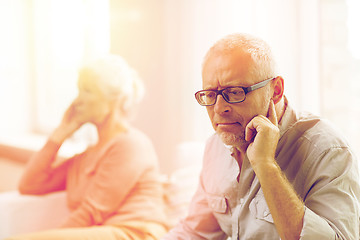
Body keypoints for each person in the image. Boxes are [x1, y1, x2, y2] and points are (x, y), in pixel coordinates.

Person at [162, 33, 360, 240]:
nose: (219, 109)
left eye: (235, 92)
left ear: (276, 90)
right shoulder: (216, 146)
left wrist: (266, 166)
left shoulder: (328, 150)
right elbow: (195, 232)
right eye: (210, 95)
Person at [6, 54, 168, 240]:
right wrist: (59, 134)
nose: (77, 100)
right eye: (79, 90)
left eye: (87, 91)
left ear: (112, 100)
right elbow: (29, 185)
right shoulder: (85, 156)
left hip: (135, 233)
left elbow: (91, 214)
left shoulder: (131, 145)